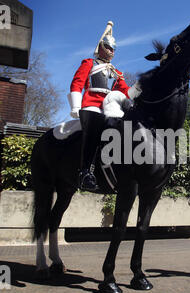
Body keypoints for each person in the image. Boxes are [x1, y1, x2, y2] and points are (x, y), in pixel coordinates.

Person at [68, 21, 141, 190]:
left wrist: (140, 86)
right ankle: (85, 172)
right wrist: (75, 105)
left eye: (113, 49)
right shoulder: (89, 63)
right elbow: (77, 83)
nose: (111, 52)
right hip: (91, 104)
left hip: (110, 106)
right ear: (100, 47)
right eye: (108, 47)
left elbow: (126, 93)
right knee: (95, 126)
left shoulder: (116, 72)